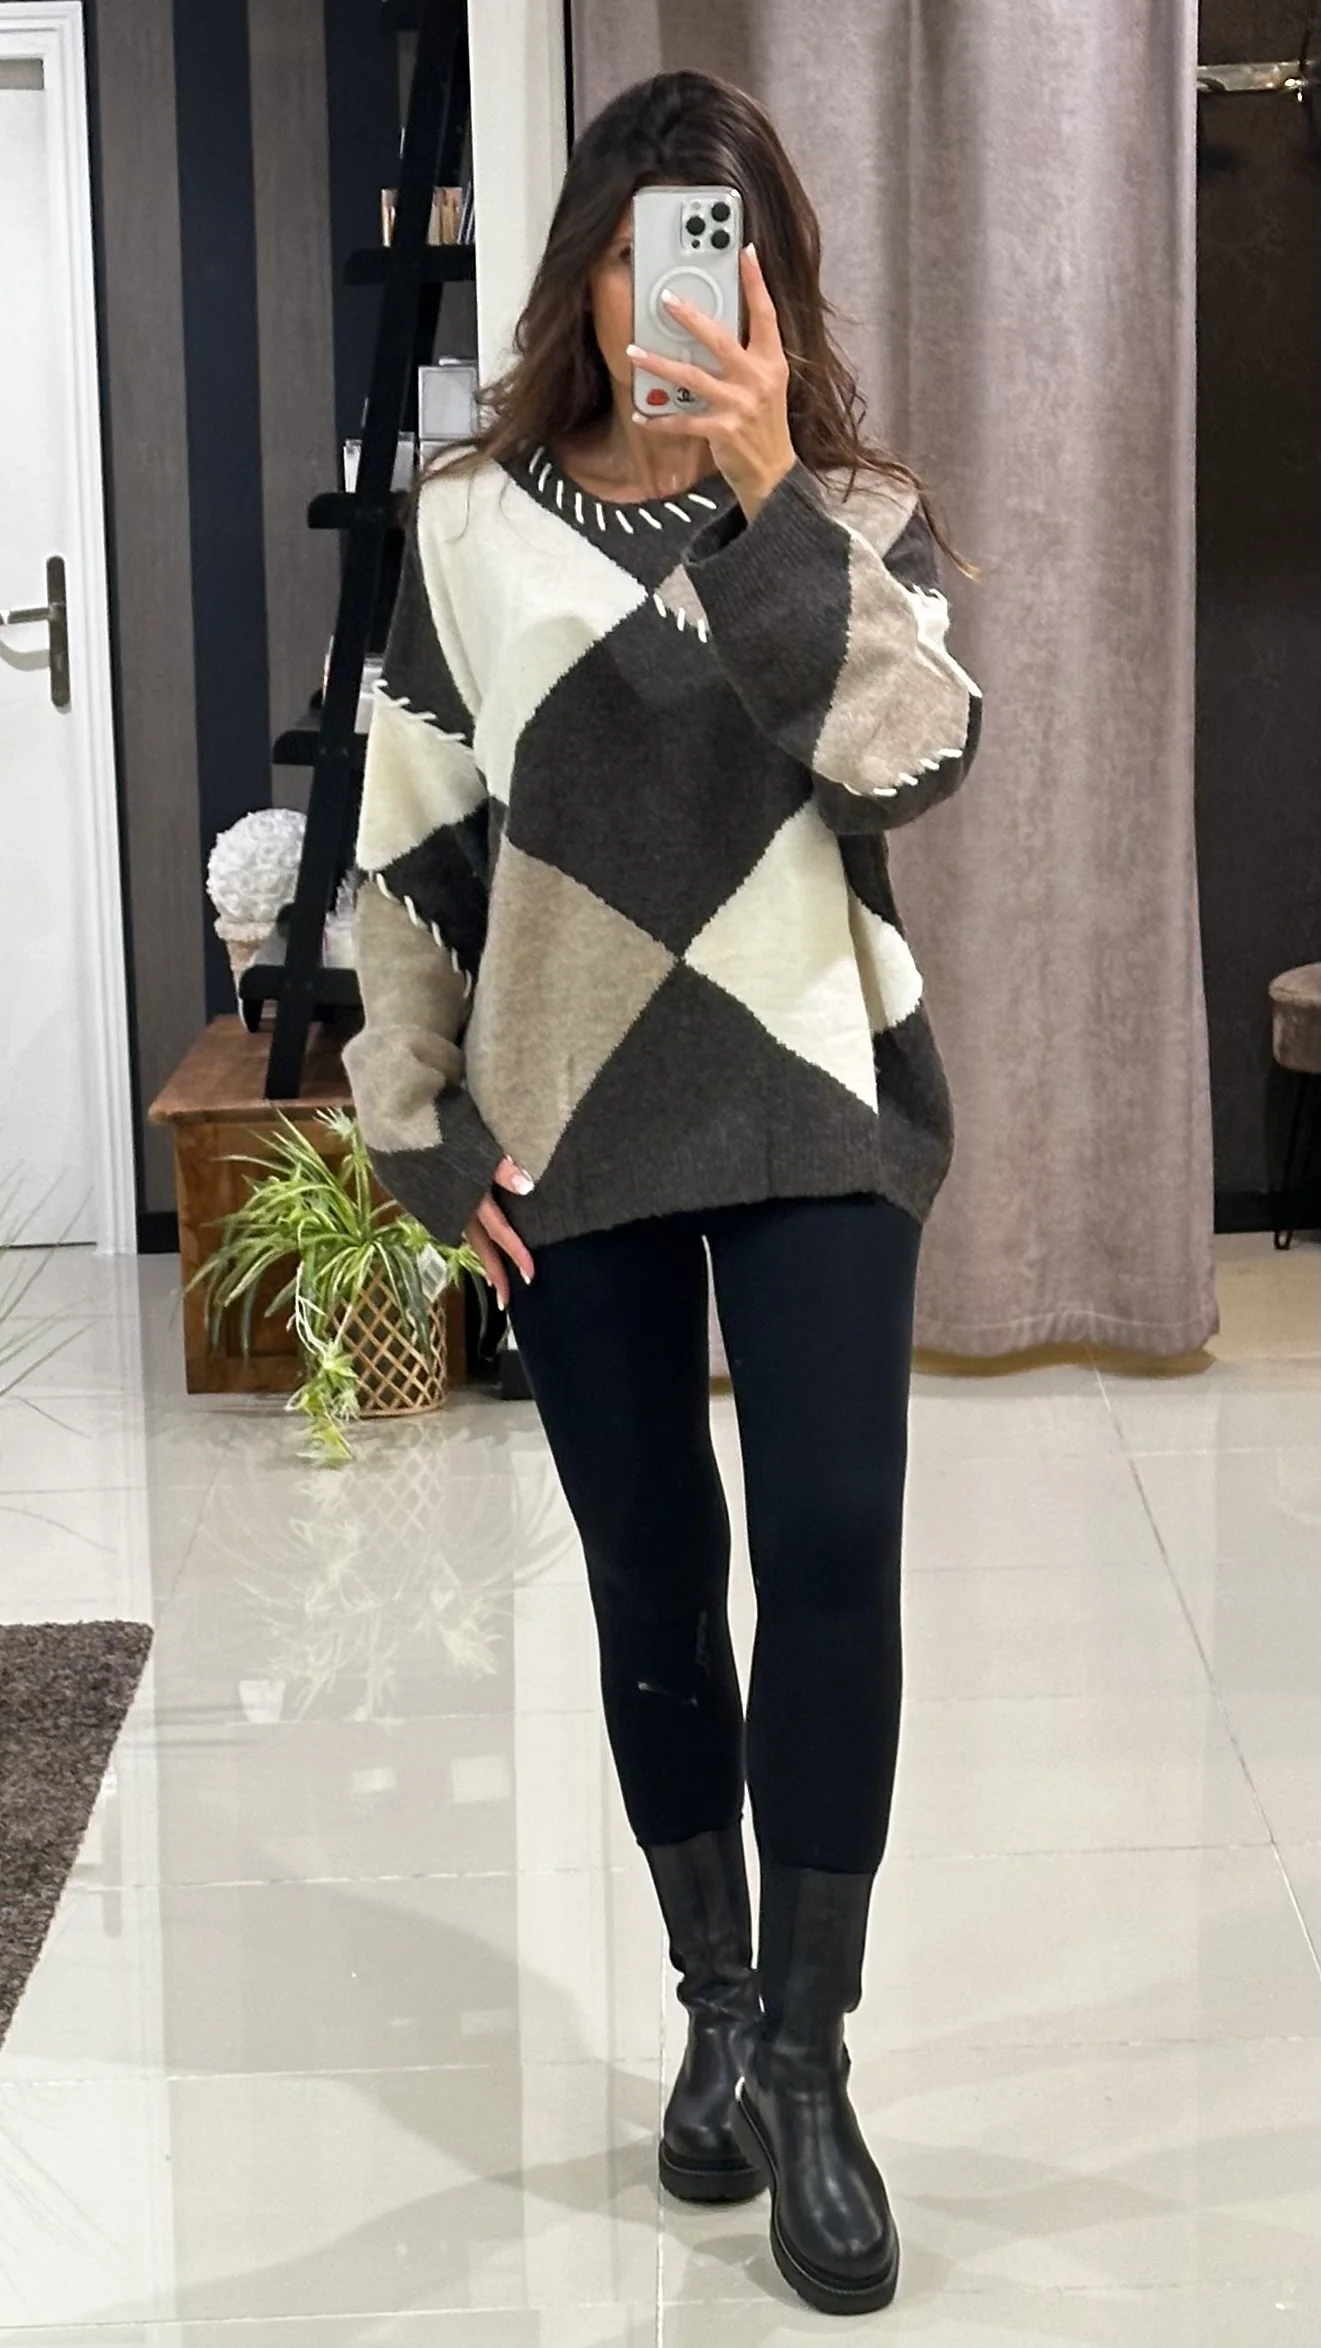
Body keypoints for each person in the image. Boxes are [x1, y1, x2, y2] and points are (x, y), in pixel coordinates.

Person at [344, 66, 983, 2320]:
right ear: (583, 275)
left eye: (708, 251)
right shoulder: (463, 527)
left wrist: (772, 490)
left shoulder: (859, 512)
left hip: (813, 1095)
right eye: (631, 251)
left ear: (767, 283)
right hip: (572, 1122)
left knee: (830, 1548)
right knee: (650, 1578)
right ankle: (716, 2004)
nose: (663, 297)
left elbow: (909, 760)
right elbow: (406, 856)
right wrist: (417, 1131)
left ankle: (808, 2065)